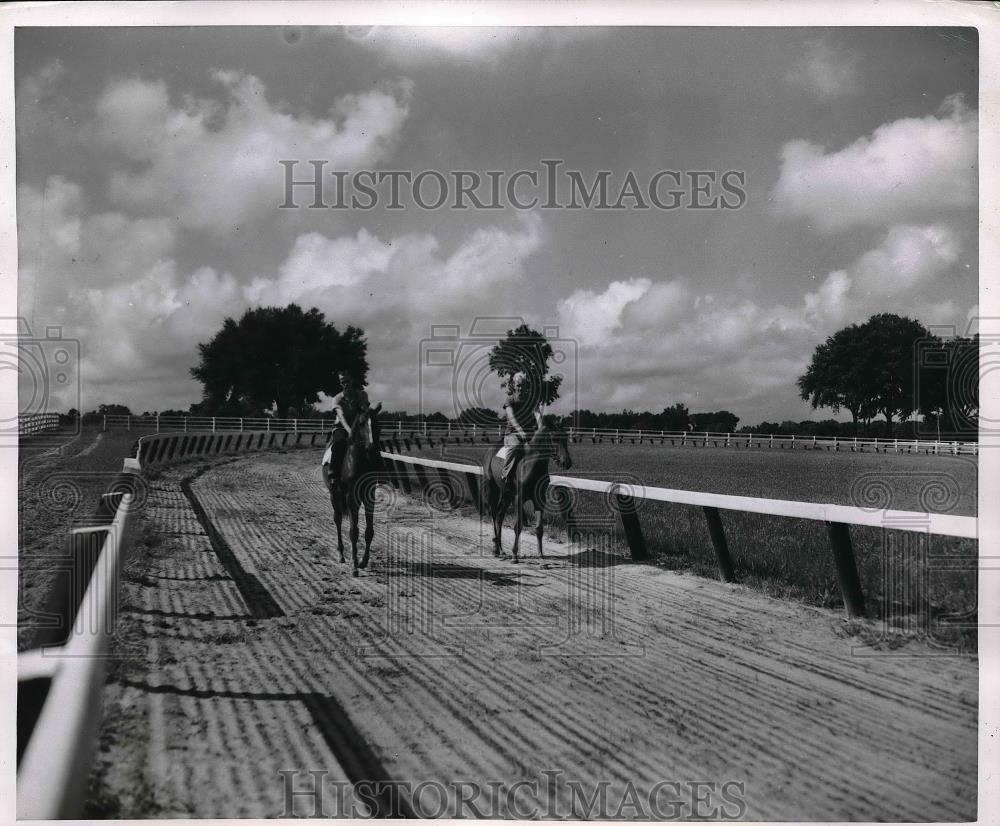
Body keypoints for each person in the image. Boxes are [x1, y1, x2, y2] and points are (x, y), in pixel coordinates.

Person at [322, 370, 371, 489]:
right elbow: (341, 417)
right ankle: (333, 473)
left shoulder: (362, 395)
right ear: (340, 383)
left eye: (347, 381)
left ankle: (375, 473)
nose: (346, 384)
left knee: (371, 443)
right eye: (343, 382)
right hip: (341, 428)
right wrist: (350, 432)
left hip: (358, 427)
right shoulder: (337, 399)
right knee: (339, 443)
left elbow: (364, 411)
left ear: (352, 380)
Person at [500, 370, 543, 483]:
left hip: (529, 432)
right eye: (518, 385)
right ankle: (505, 475)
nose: (521, 388)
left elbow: (537, 413)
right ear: (514, 385)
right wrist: (520, 431)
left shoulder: (530, 399)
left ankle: (542, 476)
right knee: (516, 445)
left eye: (523, 385)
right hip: (512, 434)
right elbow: (511, 418)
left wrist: (541, 428)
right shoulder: (510, 400)